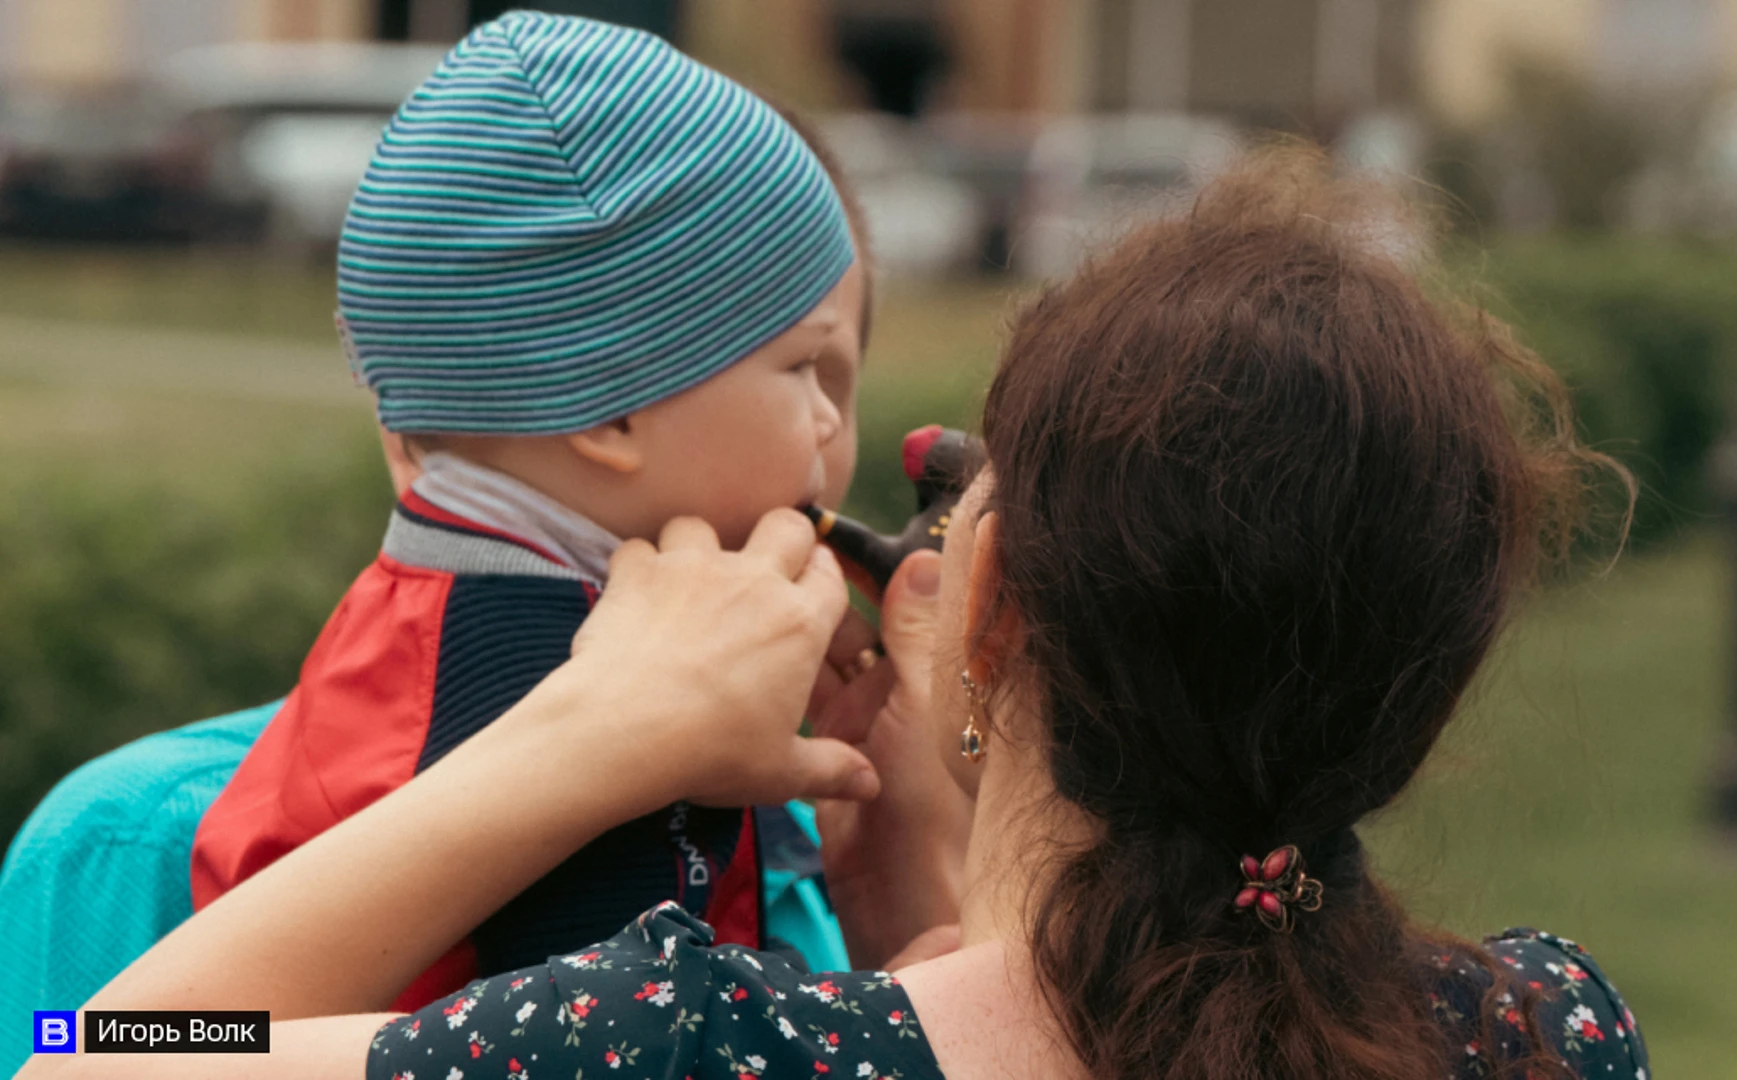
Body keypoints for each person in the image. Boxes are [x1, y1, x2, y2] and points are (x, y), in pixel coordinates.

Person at [21, 151, 1649, 1080]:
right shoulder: (1547, 1030)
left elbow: (94, 1045)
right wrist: (911, 897)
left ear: (986, 606)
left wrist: (581, 742)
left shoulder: (704, 1045)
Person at [0, 11, 877, 1049]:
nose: (826, 433)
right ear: (607, 411)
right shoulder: (494, 677)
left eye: (839, 382)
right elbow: (89, 1047)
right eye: (800, 370)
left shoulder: (812, 824)